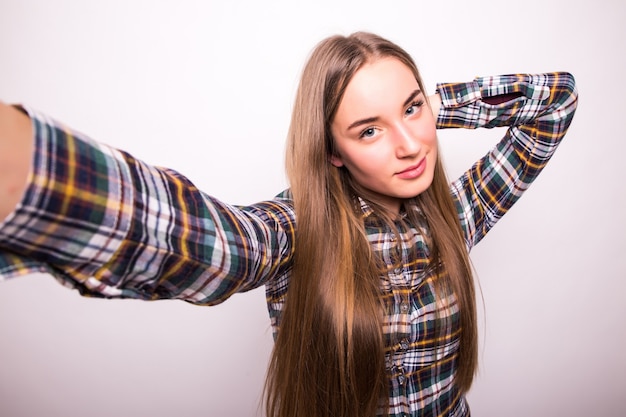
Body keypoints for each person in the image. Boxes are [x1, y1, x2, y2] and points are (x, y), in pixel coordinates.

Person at [0, 32, 578, 417]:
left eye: (410, 109)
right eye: (368, 130)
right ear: (332, 151)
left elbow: (555, 103)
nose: (410, 147)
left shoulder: (456, 216)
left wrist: (430, 105)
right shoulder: (302, 228)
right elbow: (220, 245)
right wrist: (32, 175)